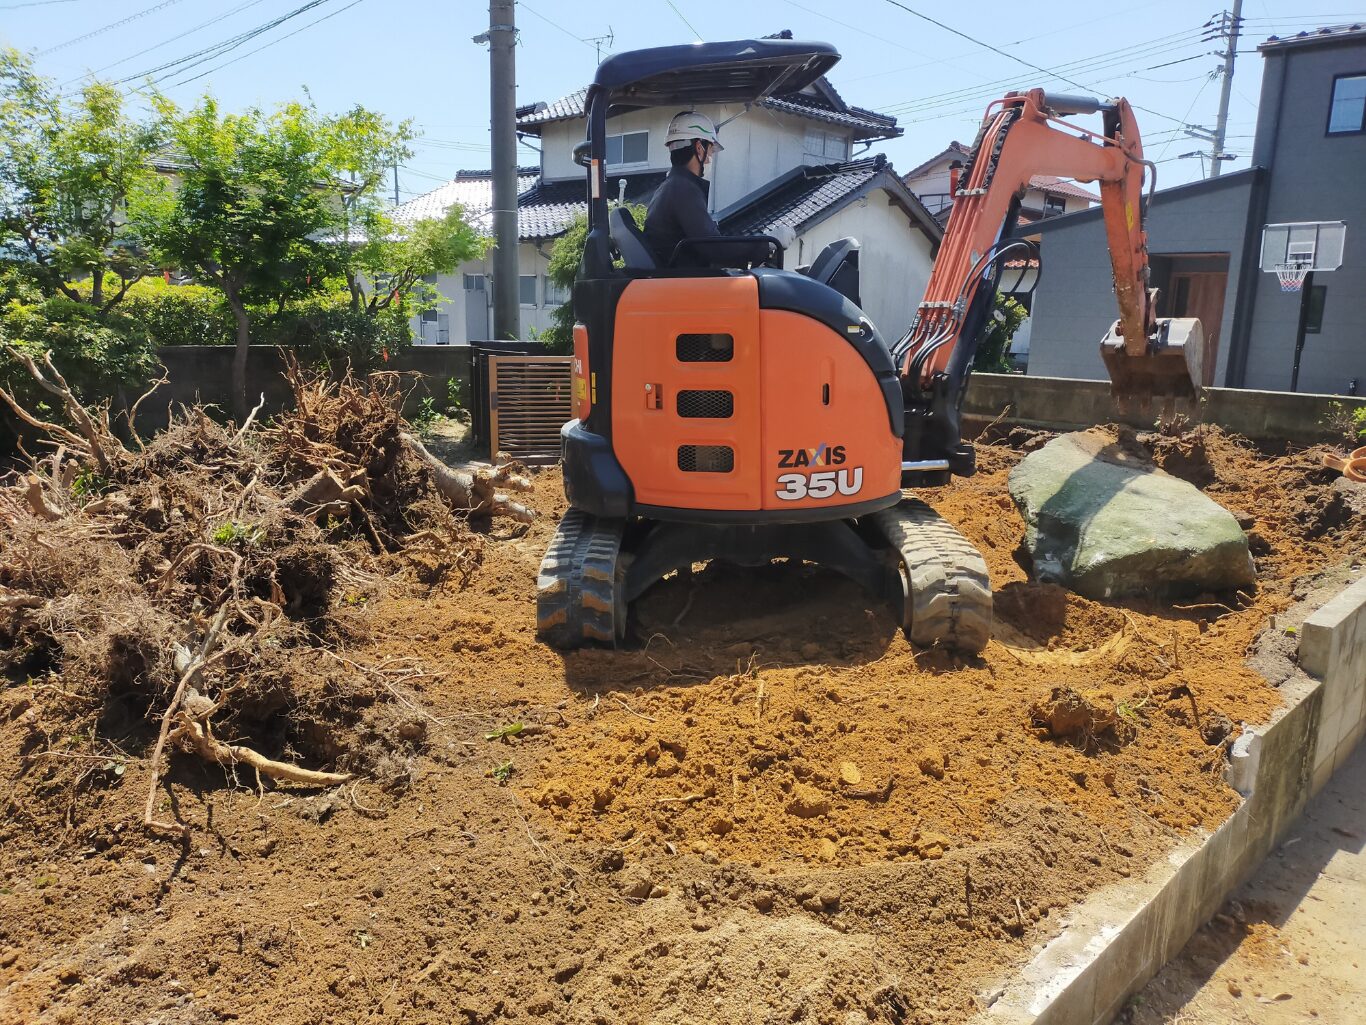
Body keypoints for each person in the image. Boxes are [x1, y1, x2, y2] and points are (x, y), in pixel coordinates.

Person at [643, 111, 795, 268]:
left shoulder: (669, 187)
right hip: (683, 278)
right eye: (710, 151)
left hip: (677, 274)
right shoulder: (683, 190)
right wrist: (767, 243)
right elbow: (715, 248)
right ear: (699, 148)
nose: (709, 160)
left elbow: (707, 242)